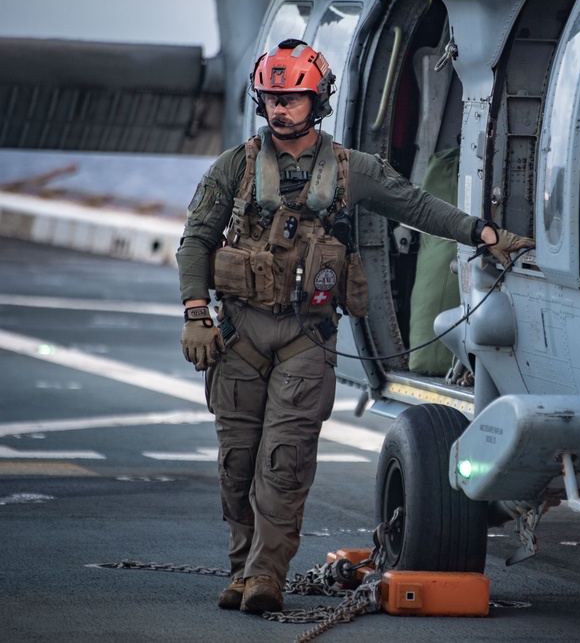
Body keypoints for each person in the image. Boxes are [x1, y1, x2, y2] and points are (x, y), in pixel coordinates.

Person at [175, 38, 533, 615]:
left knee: (285, 462)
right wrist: (196, 312)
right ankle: (241, 567)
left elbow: (417, 206)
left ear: (316, 102)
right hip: (238, 335)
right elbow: (196, 239)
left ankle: (266, 575)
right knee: (237, 463)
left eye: (292, 99)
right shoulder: (235, 168)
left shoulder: (351, 171)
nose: (280, 109)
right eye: (271, 99)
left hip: (305, 338)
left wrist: (483, 234)